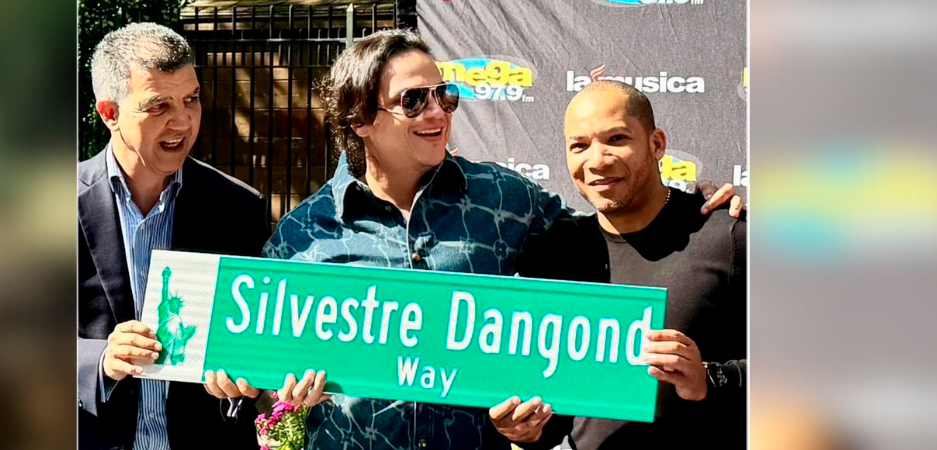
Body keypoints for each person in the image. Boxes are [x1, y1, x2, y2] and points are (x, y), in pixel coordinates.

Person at [218, 29, 740, 450]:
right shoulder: (302, 236)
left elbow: (611, 224)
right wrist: (269, 399)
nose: (437, 111)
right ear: (360, 119)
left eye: (444, 95)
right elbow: (270, 415)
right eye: (414, 100)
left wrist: (701, 204)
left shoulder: (503, 198)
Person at [496, 80, 747, 449]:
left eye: (616, 139)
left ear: (656, 144)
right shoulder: (557, 255)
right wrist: (527, 430)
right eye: (579, 146)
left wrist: (710, 378)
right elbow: (557, 416)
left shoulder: (728, 237)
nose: (596, 160)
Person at [77, 22, 268, 450]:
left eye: (191, 100)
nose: (182, 121)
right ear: (110, 113)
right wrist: (100, 359)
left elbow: (253, 345)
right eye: (159, 105)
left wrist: (246, 381)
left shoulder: (239, 207)